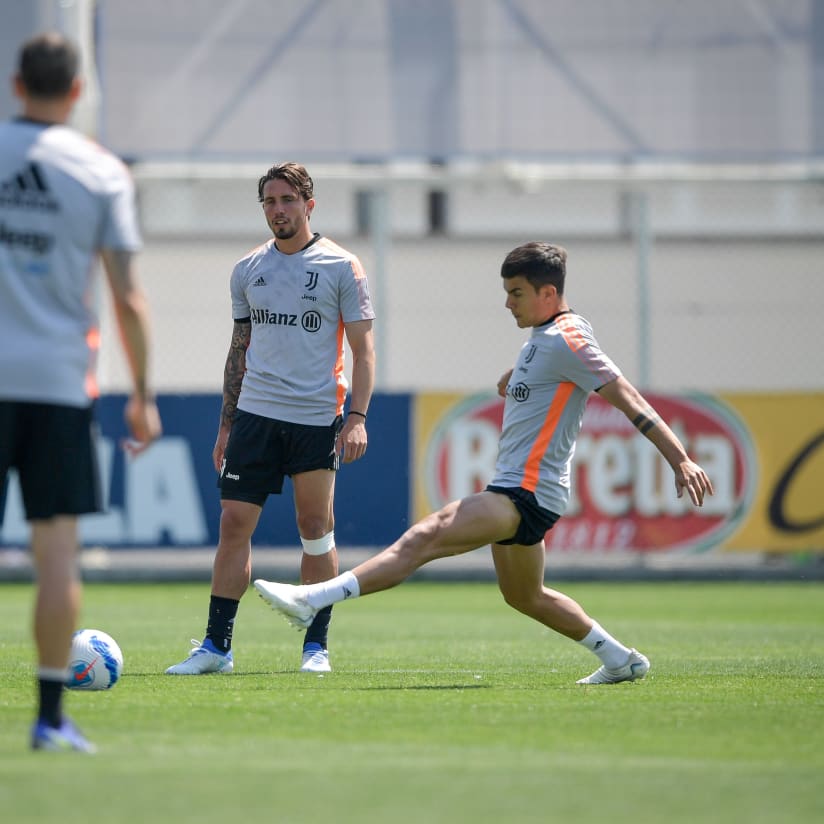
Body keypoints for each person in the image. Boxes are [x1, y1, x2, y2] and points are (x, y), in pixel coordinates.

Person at [254, 241, 714, 684]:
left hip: (524, 491)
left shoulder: (568, 337)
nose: (508, 304)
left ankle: (312, 598)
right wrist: (519, 377)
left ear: (547, 293)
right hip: (531, 491)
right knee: (524, 596)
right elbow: (556, 375)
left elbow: (628, 398)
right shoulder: (548, 336)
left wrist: (681, 460)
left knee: (423, 538)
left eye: (516, 293)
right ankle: (620, 659)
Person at [0, 32, 162, 752]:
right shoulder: (100, 173)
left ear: (14, 85)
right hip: (60, 386)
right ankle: (49, 719)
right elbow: (129, 298)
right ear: (76, 91)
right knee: (57, 554)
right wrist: (143, 394)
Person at [166, 162, 375, 676]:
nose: (277, 210)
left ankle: (315, 647)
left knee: (314, 527)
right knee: (234, 525)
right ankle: (216, 647)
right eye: (269, 201)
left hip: (315, 418)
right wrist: (225, 425)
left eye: (287, 200)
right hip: (255, 414)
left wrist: (357, 417)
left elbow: (363, 352)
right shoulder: (247, 270)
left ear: (309, 205)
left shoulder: (342, 267)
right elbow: (239, 350)